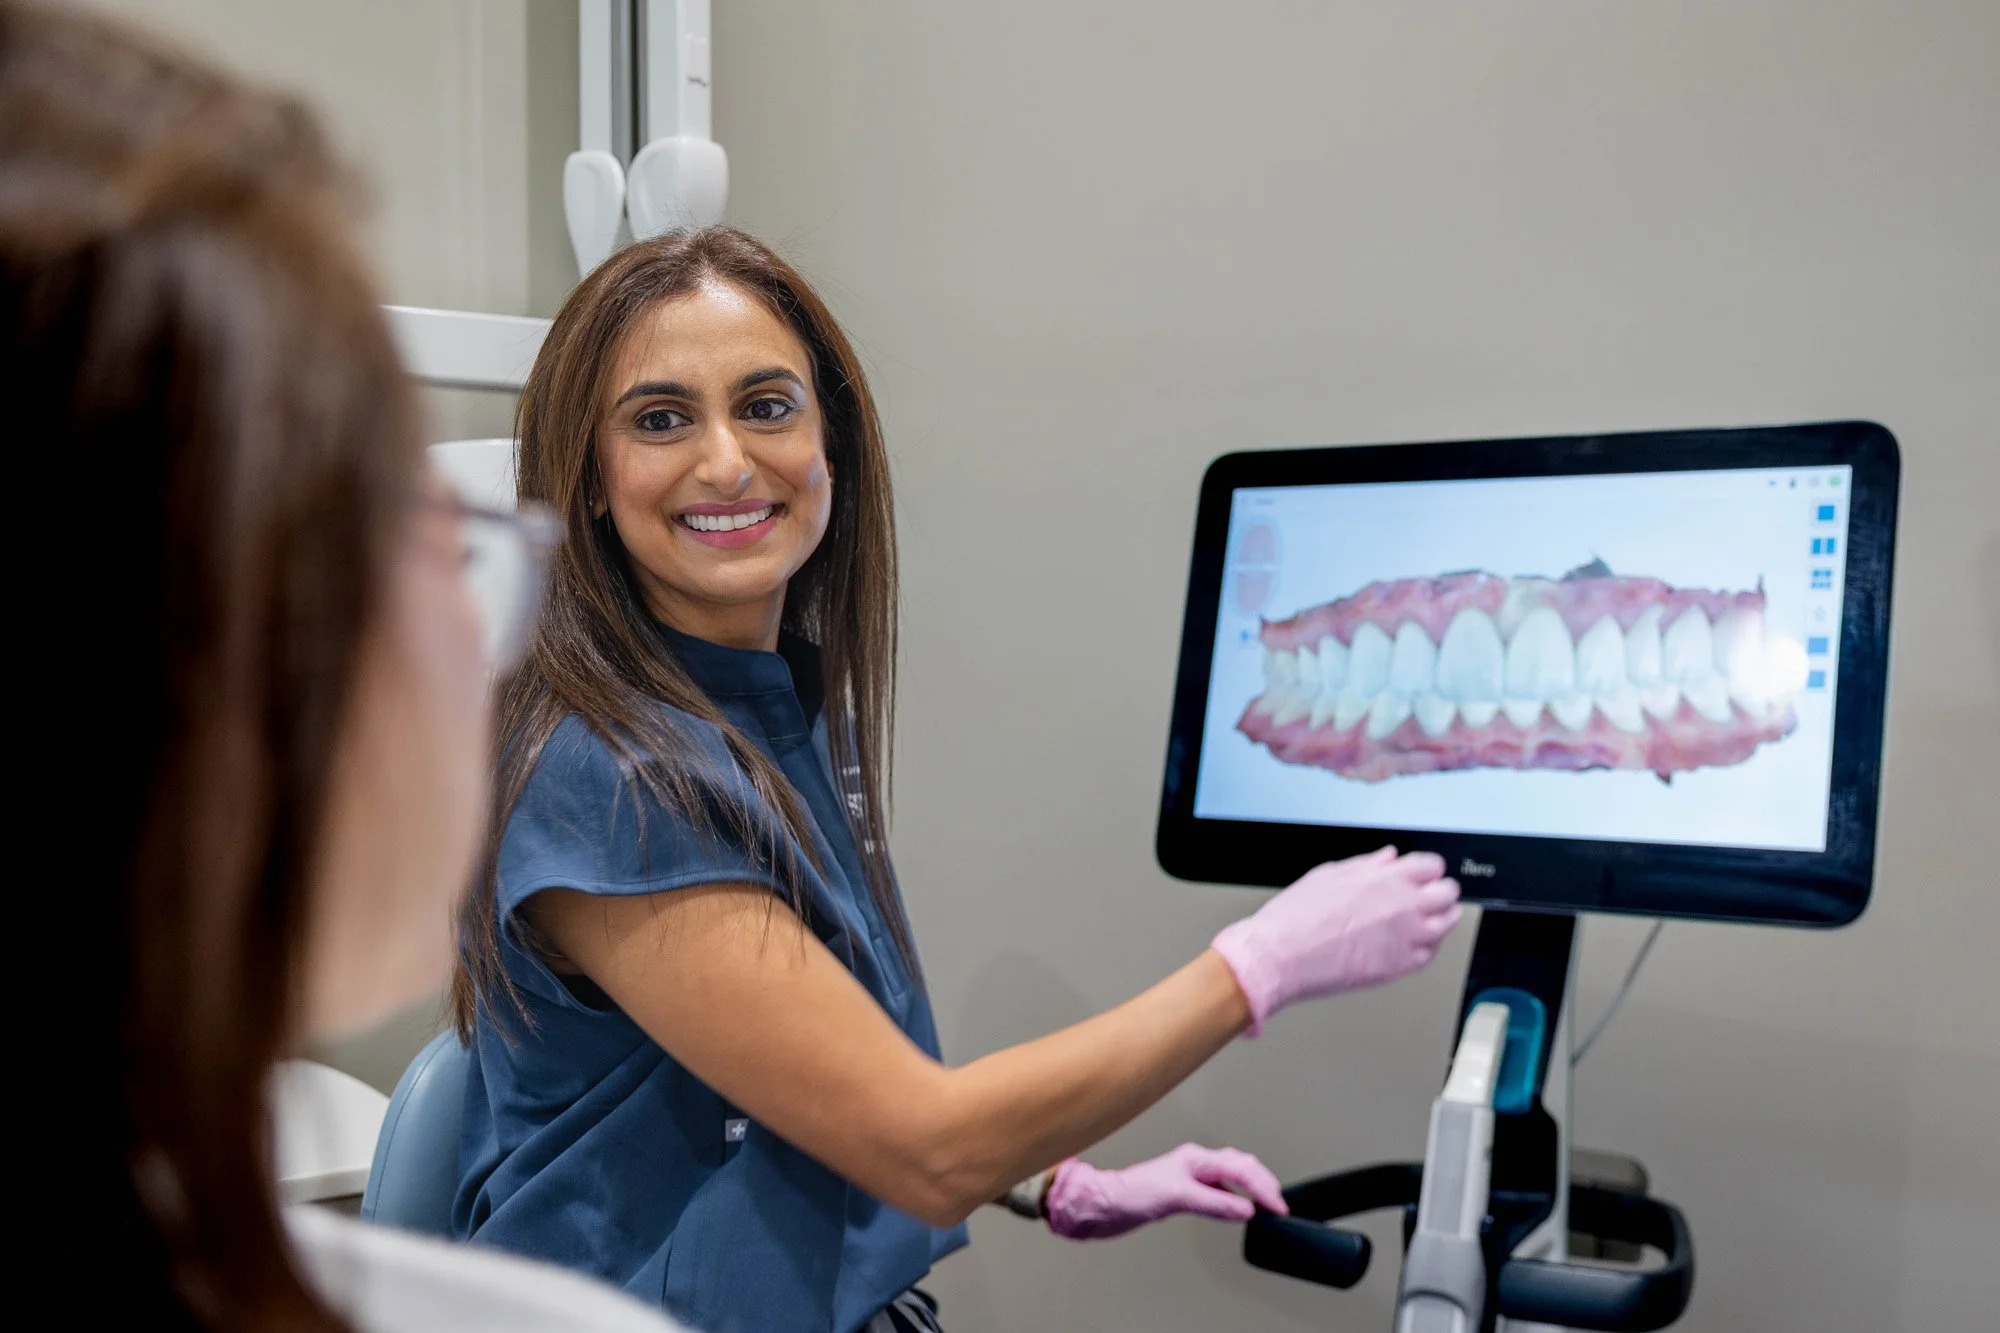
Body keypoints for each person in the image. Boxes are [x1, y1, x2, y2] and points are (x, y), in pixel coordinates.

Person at [451, 227, 1464, 1332]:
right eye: (659, 419)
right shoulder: (605, 777)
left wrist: (1046, 1177)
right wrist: (1258, 965)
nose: (728, 461)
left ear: (826, 440)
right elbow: (919, 1143)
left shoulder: (766, 701)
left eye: (766, 404)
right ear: (589, 481)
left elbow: (811, 1072)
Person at [3, 4, 692, 1329]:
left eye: (775, 404)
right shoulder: (591, 777)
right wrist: (1231, 977)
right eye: (445, 531)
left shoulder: (789, 722)